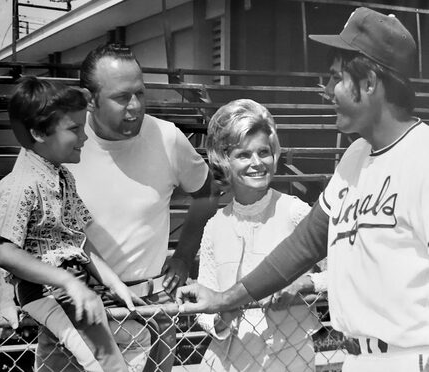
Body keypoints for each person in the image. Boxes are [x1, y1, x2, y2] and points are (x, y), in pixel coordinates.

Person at [176, 7, 429, 372]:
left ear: (370, 82)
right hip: (360, 358)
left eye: (335, 78)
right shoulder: (354, 158)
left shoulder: (422, 156)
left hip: (413, 357)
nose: (326, 91)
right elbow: (303, 246)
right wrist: (224, 299)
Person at [64, 43, 217, 371]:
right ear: (89, 100)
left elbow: (206, 194)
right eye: (121, 97)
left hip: (149, 308)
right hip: (74, 307)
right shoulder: (60, 142)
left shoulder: (167, 138)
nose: (134, 106)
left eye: (140, 94)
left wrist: (183, 256)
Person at [0, 76, 141, 372]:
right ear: (39, 132)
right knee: (111, 365)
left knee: (132, 340)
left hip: (75, 288)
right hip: (50, 293)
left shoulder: (62, 176)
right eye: (75, 129)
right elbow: (3, 250)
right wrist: (61, 281)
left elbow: (78, 241)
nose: (85, 137)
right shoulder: (20, 185)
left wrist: (114, 283)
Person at [196, 99, 325, 371]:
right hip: (225, 361)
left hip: (288, 358)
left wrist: (306, 283)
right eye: (244, 155)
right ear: (224, 160)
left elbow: (344, 272)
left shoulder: (295, 211)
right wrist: (219, 320)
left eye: (263, 152)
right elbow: (205, 298)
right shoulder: (215, 225)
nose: (257, 163)